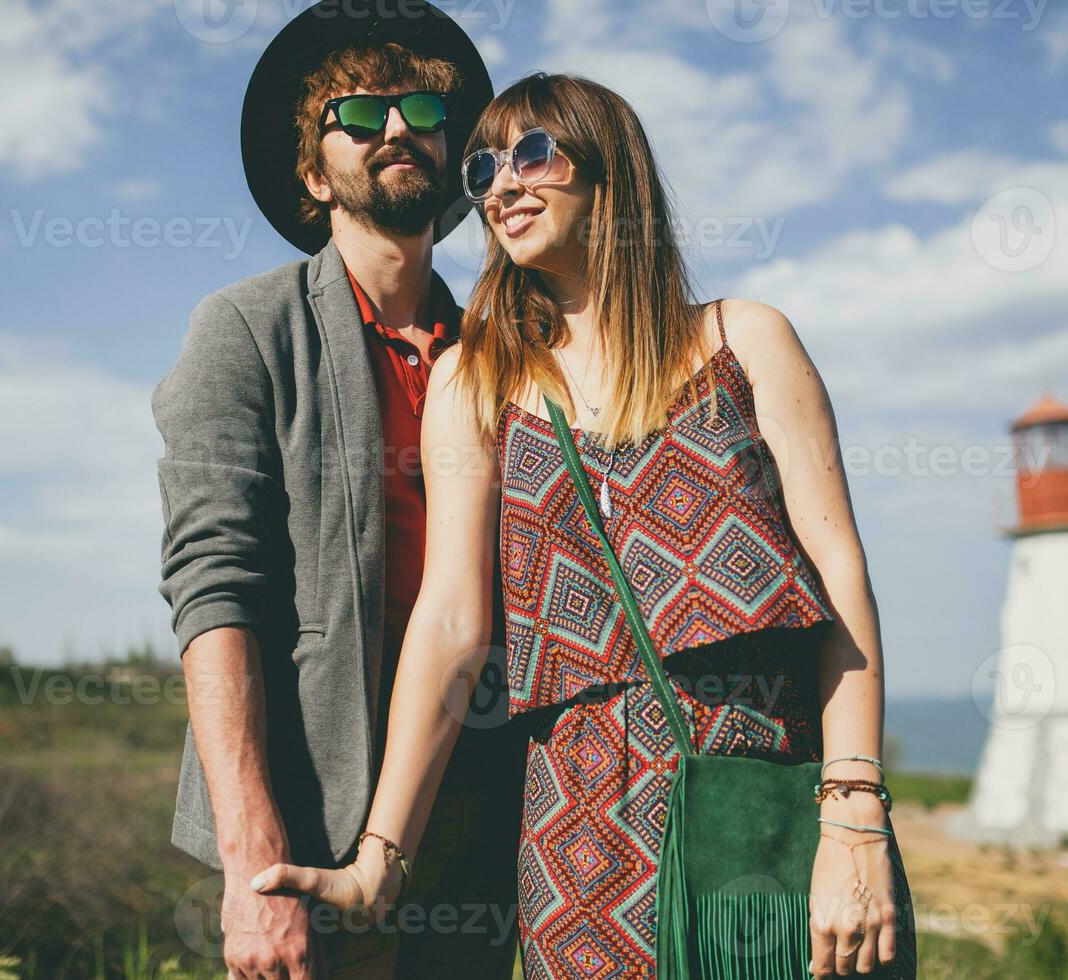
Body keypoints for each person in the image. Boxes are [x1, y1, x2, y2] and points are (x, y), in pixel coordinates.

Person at [250, 72, 917, 978]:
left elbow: (839, 578)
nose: (500, 185)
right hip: (578, 836)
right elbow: (452, 624)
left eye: (533, 153)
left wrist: (853, 814)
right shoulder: (476, 381)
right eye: (483, 167)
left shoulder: (746, 341)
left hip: (759, 800)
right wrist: (381, 857)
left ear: (610, 171)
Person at [151, 3, 524, 977]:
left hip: (485, 818)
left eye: (420, 109)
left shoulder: (508, 355)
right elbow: (214, 593)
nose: (397, 128)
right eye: (359, 114)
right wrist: (252, 859)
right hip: (312, 824)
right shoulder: (245, 329)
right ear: (315, 173)